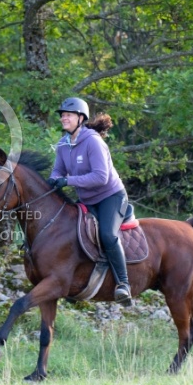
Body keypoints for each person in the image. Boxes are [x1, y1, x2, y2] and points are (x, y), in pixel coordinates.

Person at [47, 97, 132, 306]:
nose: (63, 118)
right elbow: (58, 169)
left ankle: (124, 284)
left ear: (80, 118)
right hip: (87, 199)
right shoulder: (63, 143)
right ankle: (76, 282)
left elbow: (100, 177)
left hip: (111, 197)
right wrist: (53, 178)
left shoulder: (93, 141)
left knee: (107, 235)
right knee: (70, 231)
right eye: (62, 115)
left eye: (68, 115)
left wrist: (67, 181)